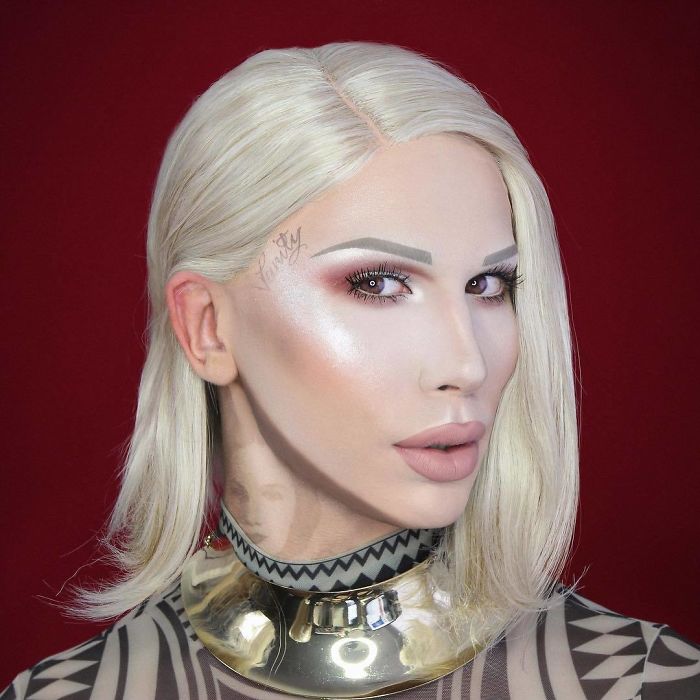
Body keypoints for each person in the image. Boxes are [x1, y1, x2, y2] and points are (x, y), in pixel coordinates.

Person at [3, 41, 699, 700]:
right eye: (378, 283)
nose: (466, 363)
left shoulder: (645, 684)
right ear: (207, 327)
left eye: (489, 286)